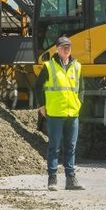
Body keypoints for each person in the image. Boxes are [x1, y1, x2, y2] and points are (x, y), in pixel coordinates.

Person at [39, 35, 85, 191]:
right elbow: (38, 87)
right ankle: (52, 179)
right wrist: (41, 106)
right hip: (55, 113)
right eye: (64, 47)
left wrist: (79, 103)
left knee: (71, 147)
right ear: (57, 49)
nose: (67, 49)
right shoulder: (48, 66)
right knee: (54, 146)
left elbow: (81, 88)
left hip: (72, 113)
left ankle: (70, 179)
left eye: (69, 47)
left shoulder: (77, 66)